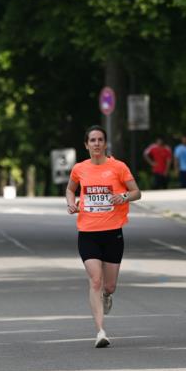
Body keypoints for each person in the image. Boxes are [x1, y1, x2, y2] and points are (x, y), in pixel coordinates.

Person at [66, 125, 141, 348]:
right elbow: (70, 189)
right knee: (95, 281)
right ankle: (100, 332)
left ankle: (107, 296)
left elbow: (137, 192)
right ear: (86, 145)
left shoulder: (118, 167)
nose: (96, 144)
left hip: (112, 233)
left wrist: (124, 197)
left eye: (100, 140)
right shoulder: (79, 169)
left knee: (109, 286)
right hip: (88, 233)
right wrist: (71, 204)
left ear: (105, 144)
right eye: (92, 140)